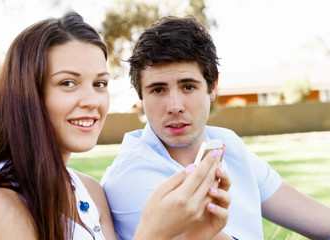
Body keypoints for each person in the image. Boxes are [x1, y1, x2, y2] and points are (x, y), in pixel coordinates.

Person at [0, 12, 232, 240]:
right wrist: (153, 234)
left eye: (99, 84)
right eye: (68, 83)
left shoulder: (91, 193)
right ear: (26, 92)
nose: (91, 101)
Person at [101, 15, 330, 240]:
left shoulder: (226, 143)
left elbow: (319, 221)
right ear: (140, 96)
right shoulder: (129, 178)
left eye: (188, 87)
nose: (174, 106)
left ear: (212, 87)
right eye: (158, 90)